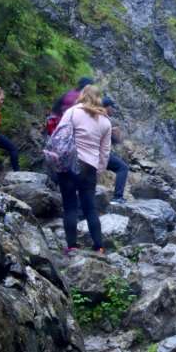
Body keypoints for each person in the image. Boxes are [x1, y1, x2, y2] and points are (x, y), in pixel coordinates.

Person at [56, 85, 111, 255]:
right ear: (99, 98)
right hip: (90, 167)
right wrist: (98, 170)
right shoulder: (105, 122)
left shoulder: (72, 112)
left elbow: (59, 135)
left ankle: (72, 246)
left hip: (69, 164)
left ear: (82, 95)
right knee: (90, 208)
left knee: (70, 206)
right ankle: (99, 246)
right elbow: (105, 152)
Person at [103, 96, 129, 204]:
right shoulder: (104, 120)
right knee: (123, 167)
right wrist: (115, 134)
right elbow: (117, 141)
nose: (113, 110)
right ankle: (118, 197)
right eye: (112, 107)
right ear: (107, 107)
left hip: (87, 153)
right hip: (99, 154)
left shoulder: (93, 116)